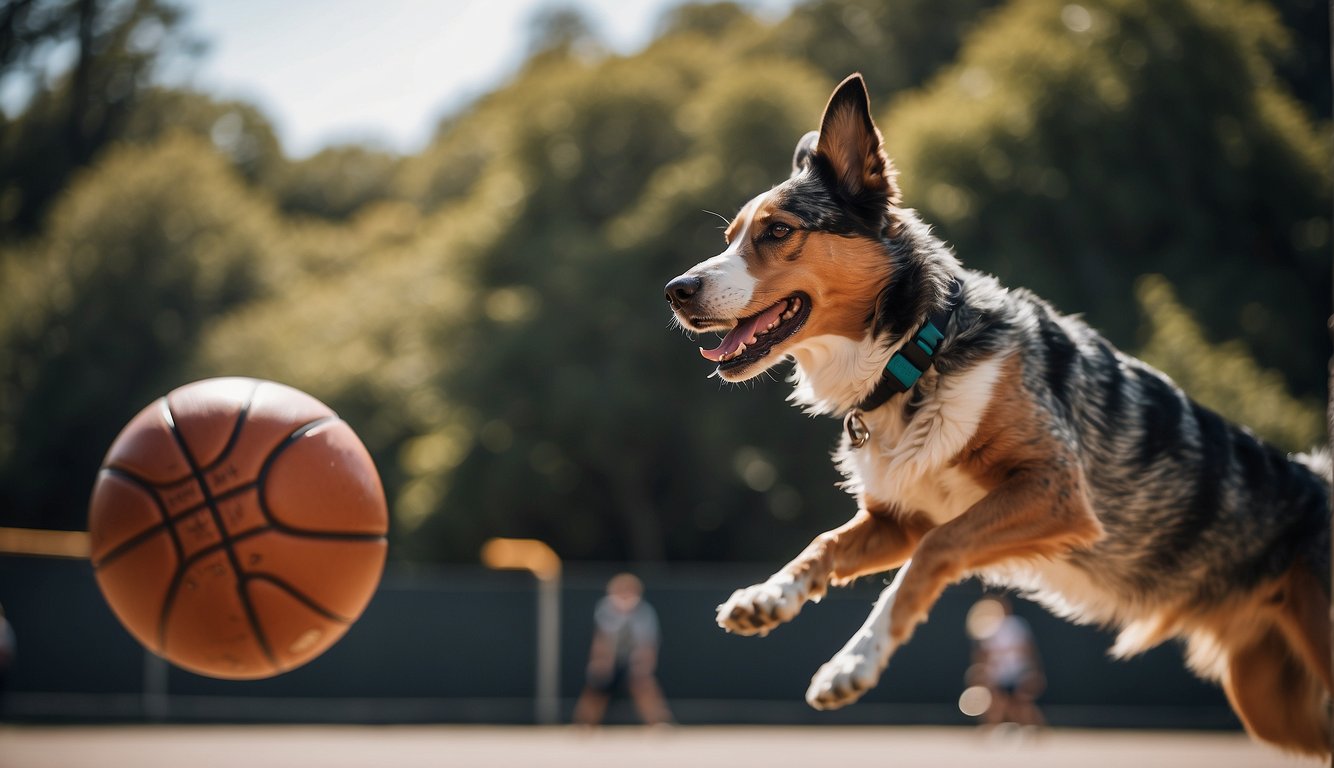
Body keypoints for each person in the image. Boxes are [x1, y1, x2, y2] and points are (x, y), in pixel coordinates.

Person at [572, 573, 672, 726]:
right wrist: (600, 662)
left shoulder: (645, 612)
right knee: (596, 689)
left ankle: (658, 722)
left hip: (634, 658)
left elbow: (648, 642)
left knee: (645, 687)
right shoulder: (605, 610)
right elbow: (601, 639)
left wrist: (644, 664)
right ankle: (584, 723)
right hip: (609, 657)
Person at [964, 595, 1045, 729]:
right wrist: (983, 671)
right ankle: (990, 731)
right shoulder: (987, 627)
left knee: (1021, 704)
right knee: (996, 703)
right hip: (998, 674)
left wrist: (1033, 670)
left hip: (1018, 672)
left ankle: (1037, 730)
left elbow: (1028, 649)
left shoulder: (1017, 624)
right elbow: (983, 654)